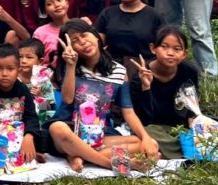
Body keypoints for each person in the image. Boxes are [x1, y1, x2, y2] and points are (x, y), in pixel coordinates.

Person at [48, 19, 159, 173]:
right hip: (69, 130)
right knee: (57, 128)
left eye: (84, 35)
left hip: (98, 134)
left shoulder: (119, 71)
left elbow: (128, 112)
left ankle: (77, 155)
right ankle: (112, 163)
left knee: (149, 143)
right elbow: (67, 99)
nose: (82, 42)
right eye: (75, 41)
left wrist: (146, 138)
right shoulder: (70, 67)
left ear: (96, 35)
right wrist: (71, 65)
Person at [129, 26, 200, 159]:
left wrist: (196, 125)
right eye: (164, 47)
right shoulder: (140, 75)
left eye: (177, 49)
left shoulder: (189, 71)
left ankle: (173, 150)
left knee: (203, 134)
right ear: (153, 48)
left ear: (184, 54)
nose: (170, 53)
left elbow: (192, 107)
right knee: (147, 134)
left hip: (179, 128)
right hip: (152, 128)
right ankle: (184, 151)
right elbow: (143, 119)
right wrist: (146, 87)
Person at [95, 0, 164, 64]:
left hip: (144, 67)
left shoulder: (154, 16)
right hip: (112, 67)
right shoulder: (107, 14)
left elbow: (163, 48)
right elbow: (97, 44)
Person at [32, 0, 71, 67]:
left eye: (59, 0)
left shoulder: (79, 26)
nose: (56, 5)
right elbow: (35, 60)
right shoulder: (40, 33)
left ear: (67, 3)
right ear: (44, 10)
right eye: (49, 4)